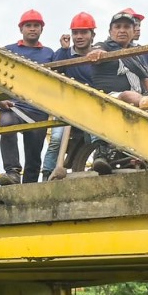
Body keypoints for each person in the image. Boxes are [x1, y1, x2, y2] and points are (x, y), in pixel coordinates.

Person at [85, 11, 148, 174]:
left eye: (126, 27)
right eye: (118, 27)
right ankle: (103, 151)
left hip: (140, 98)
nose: (122, 30)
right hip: (110, 98)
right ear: (110, 31)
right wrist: (96, 54)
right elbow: (94, 51)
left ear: (133, 31)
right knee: (129, 96)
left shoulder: (137, 56)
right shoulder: (105, 46)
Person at [0, 10, 55, 185]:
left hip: (38, 108)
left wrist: (66, 49)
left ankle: (29, 186)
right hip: (12, 105)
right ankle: (12, 172)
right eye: (28, 25)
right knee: (6, 124)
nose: (32, 29)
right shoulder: (8, 51)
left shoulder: (48, 53)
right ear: (21, 28)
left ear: (41, 29)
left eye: (36, 26)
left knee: (34, 151)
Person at [42, 12, 98, 177]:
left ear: (92, 35)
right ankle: (47, 173)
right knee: (56, 140)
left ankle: (99, 164)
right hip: (67, 105)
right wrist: (64, 49)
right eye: (76, 33)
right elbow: (55, 70)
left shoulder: (98, 55)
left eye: (83, 32)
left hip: (91, 105)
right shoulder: (65, 53)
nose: (79, 36)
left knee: (95, 136)